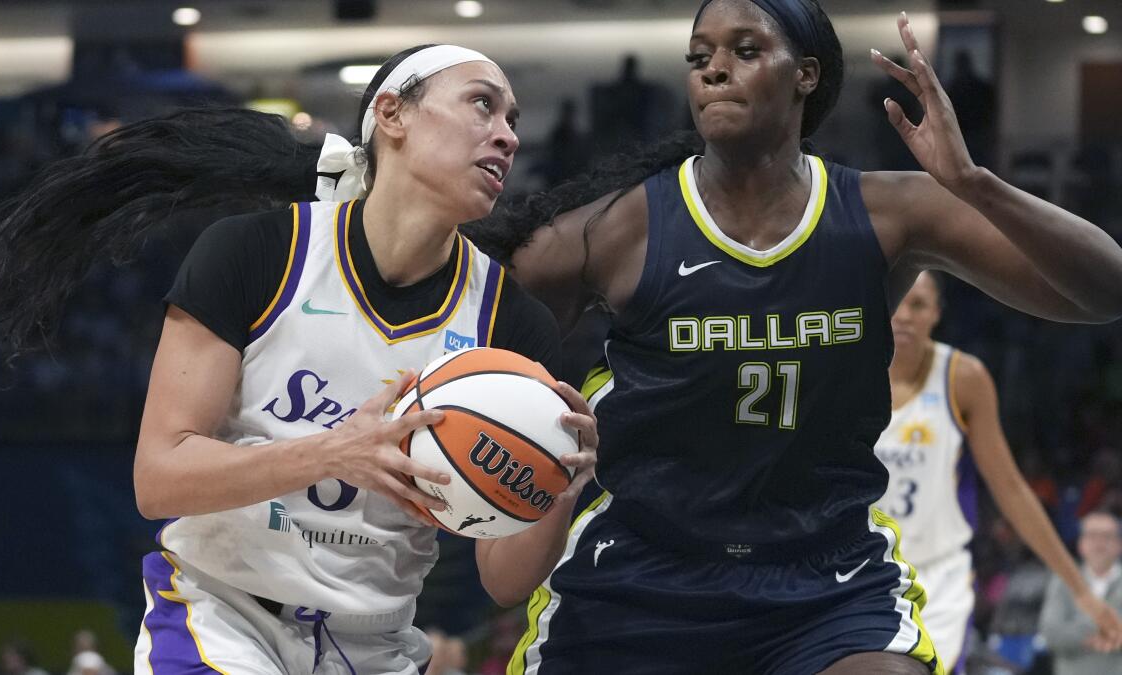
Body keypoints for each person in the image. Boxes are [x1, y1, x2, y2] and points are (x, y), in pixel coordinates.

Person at [473, 1, 1122, 673]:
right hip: (639, 578)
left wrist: (974, 185)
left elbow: (1103, 292)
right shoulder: (619, 228)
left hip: (823, 581)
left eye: (745, 51)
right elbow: (469, 321)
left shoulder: (885, 214)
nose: (714, 71)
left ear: (806, 75)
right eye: (700, 58)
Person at [0, 45, 598, 674]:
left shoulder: (510, 323)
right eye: (483, 104)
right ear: (391, 114)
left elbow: (504, 580)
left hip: (377, 643)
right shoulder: (258, 253)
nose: (508, 134)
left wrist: (558, 482)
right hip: (223, 617)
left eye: (513, 118)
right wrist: (333, 453)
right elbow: (158, 477)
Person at [873, 271, 1122, 673]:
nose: (904, 315)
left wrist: (1081, 591)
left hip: (937, 575)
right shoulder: (848, 372)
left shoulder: (962, 378)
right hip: (861, 565)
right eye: (897, 302)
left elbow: (1011, 490)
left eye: (918, 304)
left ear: (936, 313)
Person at [1039, 511, 1122, 675]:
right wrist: (1109, 627)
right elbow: (1051, 633)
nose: (1099, 543)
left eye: (1107, 536)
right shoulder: (1063, 581)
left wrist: (1080, 630)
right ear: (1081, 544)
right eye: (1092, 536)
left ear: (1119, 544)